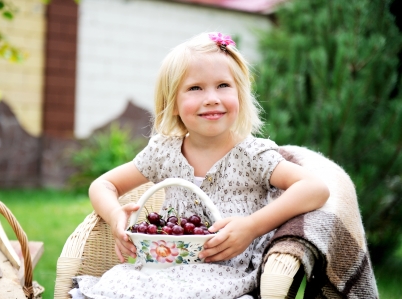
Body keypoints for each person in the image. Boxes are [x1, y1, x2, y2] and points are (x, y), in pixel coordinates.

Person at [70, 32, 330, 299]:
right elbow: (103, 184)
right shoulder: (164, 152)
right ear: (172, 103)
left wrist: (252, 226)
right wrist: (115, 216)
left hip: (225, 276)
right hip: (161, 270)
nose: (212, 98)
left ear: (239, 94)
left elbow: (315, 188)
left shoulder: (252, 155)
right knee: (111, 284)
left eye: (223, 85)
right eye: (195, 88)